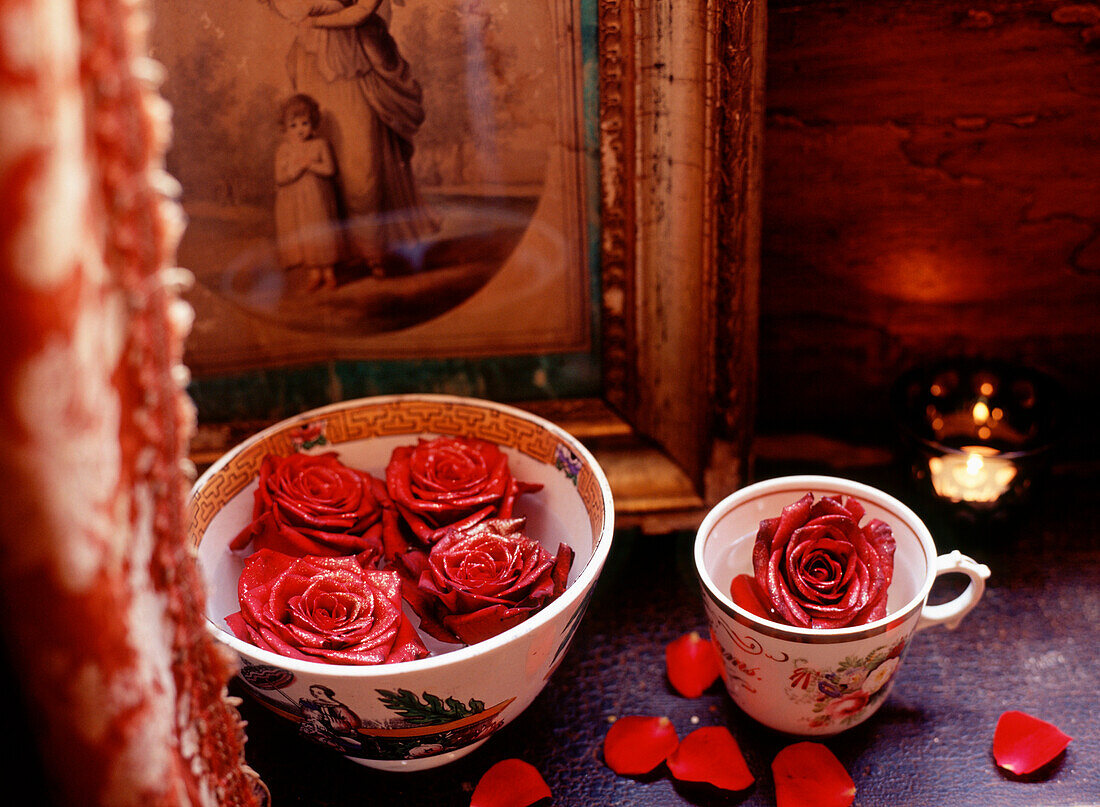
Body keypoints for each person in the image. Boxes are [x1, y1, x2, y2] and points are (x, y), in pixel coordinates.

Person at [264, 0, 439, 276]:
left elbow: (363, 10)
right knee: (324, 160)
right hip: (312, 61)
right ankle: (330, 255)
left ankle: (372, 251)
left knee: (362, 165)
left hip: (356, 60)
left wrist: (317, 19)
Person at [274, 93, 344, 290]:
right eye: (293, 126)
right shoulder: (283, 150)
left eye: (304, 123)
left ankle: (329, 272)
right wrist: (296, 170)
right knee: (307, 234)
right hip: (297, 203)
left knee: (322, 231)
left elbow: (330, 170)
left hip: (317, 199)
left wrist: (309, 164)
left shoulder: (320, 145)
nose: (299, 130)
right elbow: (280, 177)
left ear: (313, 123)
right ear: (285, 128)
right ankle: (315, 274)